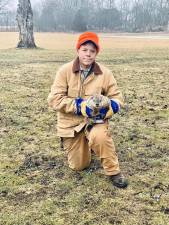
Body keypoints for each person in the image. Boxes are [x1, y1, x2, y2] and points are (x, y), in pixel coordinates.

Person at [47, 32, 128, 188]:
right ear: (78, 50)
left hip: (95, 122)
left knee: (101, 137)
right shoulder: (64, 71)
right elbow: (54, 99)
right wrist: (79, 106)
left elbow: (118, 98)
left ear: (96, 53)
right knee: (79, 166)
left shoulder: (105, 73)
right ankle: (82, 145)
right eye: (85, 50)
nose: (88, 54)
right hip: (71, 125)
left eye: (92, 51)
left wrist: (111, 107)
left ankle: (114, 172)